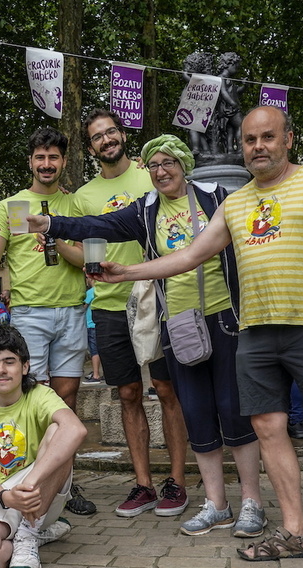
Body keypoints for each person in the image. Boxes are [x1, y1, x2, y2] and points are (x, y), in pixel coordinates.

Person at [87, 107, 303, 568]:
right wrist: (128, 271)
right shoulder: (236, 202)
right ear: (241, 146)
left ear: (288, 139)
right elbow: (189, 255)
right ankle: (294, 531)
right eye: (250, 140)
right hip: (255, 333)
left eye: (268, 137)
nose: (258, 146)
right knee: (268, 430)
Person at [30, 134, 265, 538]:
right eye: (153, 165)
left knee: (234, 411)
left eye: (167, 162)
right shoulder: (146, 210)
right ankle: (216, 503)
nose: (160, 171)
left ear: (182, 164)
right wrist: (51, 223)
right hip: (177, 323)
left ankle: (252, 503)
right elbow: (97, 225)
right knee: (196, 412)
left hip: (223, 318)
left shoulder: (218, 196)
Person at [71, 109, 188, 519]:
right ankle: (143, 485)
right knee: (127, 393)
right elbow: (79, 241)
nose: (107, 140)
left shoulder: (149, 174)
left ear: (123, 135)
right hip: (107, 305)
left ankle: (177, 481)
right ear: (91, 148)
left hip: (155, 298)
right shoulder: (82, 195)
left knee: (168, 390)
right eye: (98, 137)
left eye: (112, 132)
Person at [0, 326, 84, 568]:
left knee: (58, 432)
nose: (1, 370)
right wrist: (6, 497)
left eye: (9, 362)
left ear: (25, 366)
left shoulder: (39, 395)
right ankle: (30, 537)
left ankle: (29, 532)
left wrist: (29, 484)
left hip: (39, 494)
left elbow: (76, 430)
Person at [0, 128, 87, 417]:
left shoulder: (74, 203)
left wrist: (56, 240)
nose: (46, 164)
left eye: (53, 157)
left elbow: (84, 260)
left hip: (72, 310)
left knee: (67, 396)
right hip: (29, 312)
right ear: (30, 161)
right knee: (30, 395)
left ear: (64, 162)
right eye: (40, 157)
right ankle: (34, 463)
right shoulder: (9, 206)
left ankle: (64, 464)